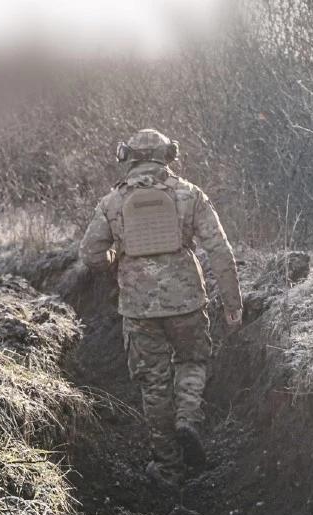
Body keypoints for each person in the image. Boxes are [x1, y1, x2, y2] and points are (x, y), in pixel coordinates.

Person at [79, 129, 243, 486]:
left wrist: (115, 258)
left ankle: (167, 468)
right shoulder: (190, 194)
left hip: (139, 309)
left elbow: (90, 254)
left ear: (131, 158)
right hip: (186, 301)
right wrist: (233, 303)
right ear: (168, 156)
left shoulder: (112, 202)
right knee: (193, 361)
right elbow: (219, 250)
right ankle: (187, 418)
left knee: (153, 383)